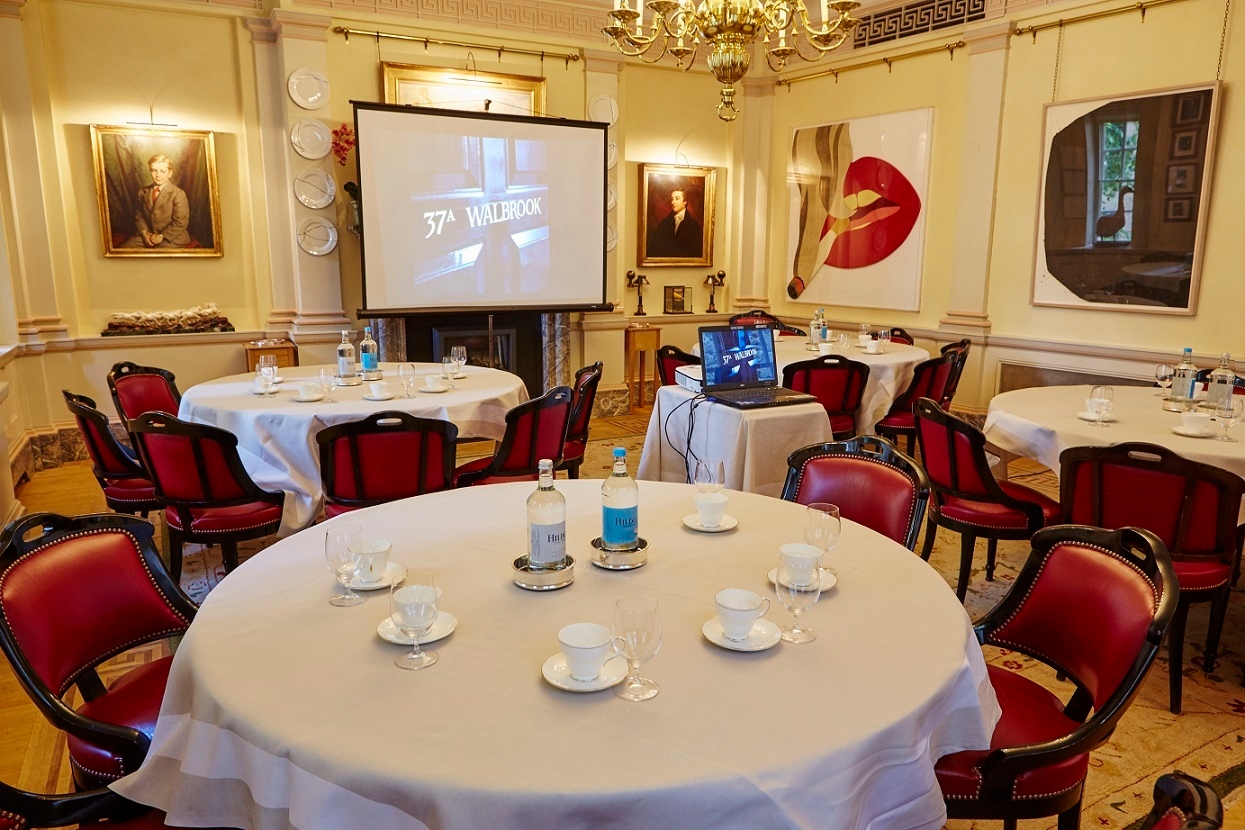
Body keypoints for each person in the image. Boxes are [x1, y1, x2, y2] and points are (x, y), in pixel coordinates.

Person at [120, 154, 191, 248]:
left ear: (170, 173)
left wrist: (161, 236)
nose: (158, 175)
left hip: (172, 237)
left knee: (158, 258)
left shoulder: (178, 194)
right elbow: (139, 215)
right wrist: (144, 233)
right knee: (124, 249)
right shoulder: (143, 192)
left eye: (162, 171)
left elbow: (180, 223)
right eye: (154, 170)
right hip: (148, 234)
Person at [646, 188, 703, 258]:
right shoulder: (664, 223)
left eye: (677, 198)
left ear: (685, 201)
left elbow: (696, 254)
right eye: (672, 199)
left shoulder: (694, 225)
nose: (673, 202)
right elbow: (654, 249)